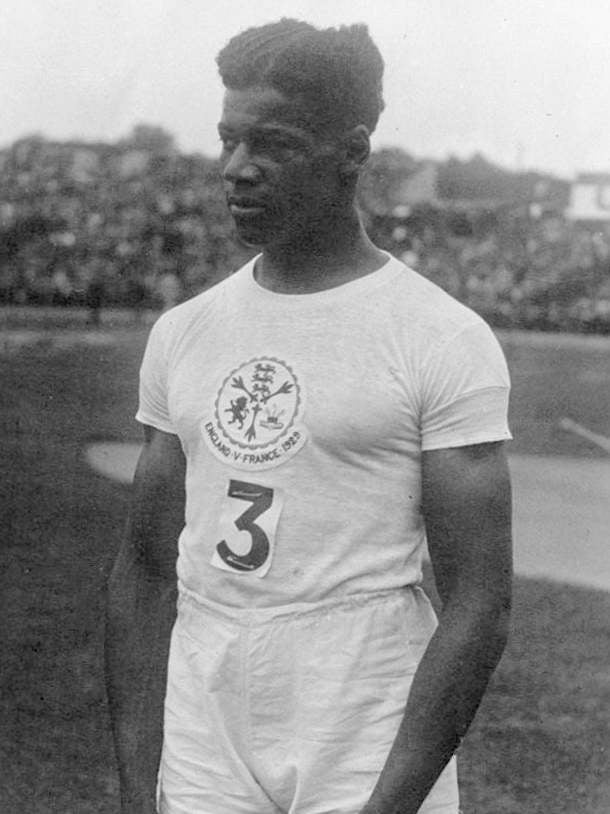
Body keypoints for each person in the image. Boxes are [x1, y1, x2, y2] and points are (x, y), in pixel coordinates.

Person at [105, 19, 513, 814]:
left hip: (359, 697)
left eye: (274, 144)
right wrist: (136, 785)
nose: (236, 170)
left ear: (352, 151)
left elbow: (480, 602)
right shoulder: (185, 331)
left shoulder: (439, 336)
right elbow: (147, 566)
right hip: (207, 689)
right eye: (228, 141)